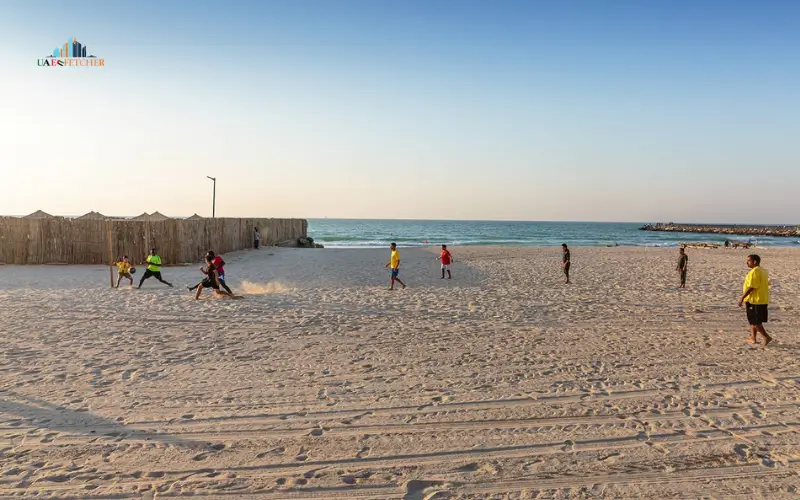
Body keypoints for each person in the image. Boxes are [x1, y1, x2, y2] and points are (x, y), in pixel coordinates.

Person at [738, 254, 772, 346]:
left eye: (749, 260)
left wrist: (742, 298)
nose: (747, 262)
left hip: (755, 300)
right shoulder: (762, 271)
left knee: (756, 321)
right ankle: (753, 338)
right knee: (752, 320)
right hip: (760, 299)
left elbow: (752, 287)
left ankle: (766, 337)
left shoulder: (755, 271)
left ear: (755, 261)